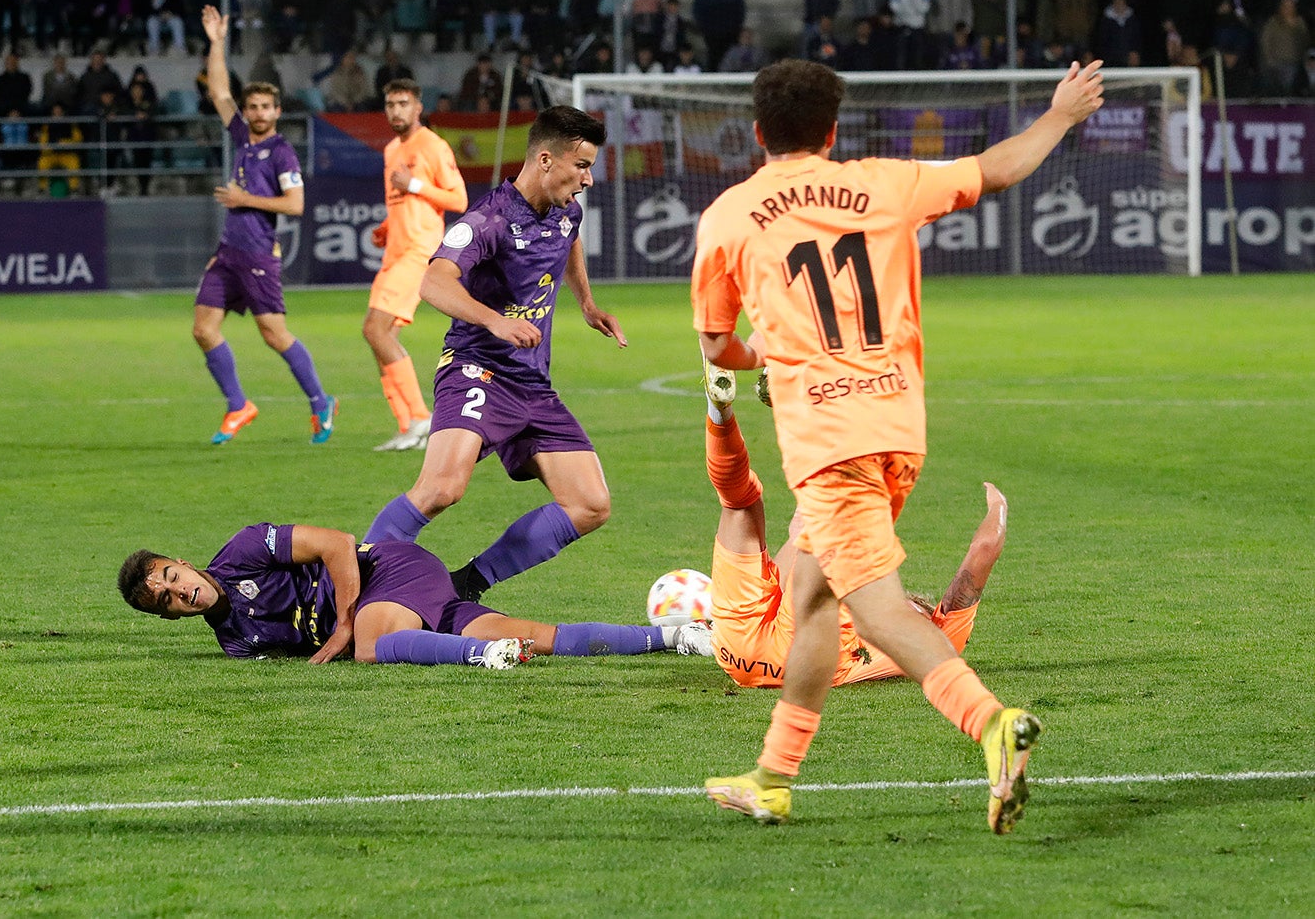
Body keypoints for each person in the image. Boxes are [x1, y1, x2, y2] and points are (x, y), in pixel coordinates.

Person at [691, 58, 1103, 833]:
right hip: (898, 426)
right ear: (833, 131)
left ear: (755, 133)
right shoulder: (887, 182)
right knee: (809, 591)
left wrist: (764, 357)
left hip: (829, 438)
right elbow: (996, 170)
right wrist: (1061, 115)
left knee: (875, 610)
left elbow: (718, 346)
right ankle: (774, 778)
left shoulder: (728, 216)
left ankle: (991, 724)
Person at [364, 106, 624, 607]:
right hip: (475, 368)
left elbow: (567, 243)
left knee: (591, 504)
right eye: (582, 166)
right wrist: (494, 320)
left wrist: (587, 303)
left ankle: (466, 585)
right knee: (442, 489)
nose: (589, 179)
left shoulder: (567, 209)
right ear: (545, 159)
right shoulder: (489, 219)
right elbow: (432, 281)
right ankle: (353, 581)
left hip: (532, 384)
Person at [698, 362, 999, 690]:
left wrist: (999, 509)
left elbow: (985, 549)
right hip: (738, 655)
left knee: (749, 504)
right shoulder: (929, 648)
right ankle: (741, 407)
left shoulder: (934, 640)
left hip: (792, 648)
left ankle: (730, 409)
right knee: (744, 506)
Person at [118, 524, 712, 664]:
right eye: (165, 600)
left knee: (372, 644)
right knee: (535, 636)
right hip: (406, 612)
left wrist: (347, 623)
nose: (180, 593)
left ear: (185, 564)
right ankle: (675, 636)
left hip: (389, 575)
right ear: (167, 616)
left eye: (173, 578)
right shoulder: (237, 645)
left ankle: (483, 659)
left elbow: (337, 543)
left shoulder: (245, 549)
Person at [193, 5, 336, 446]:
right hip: (228, 254)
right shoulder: (240, 137)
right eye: (251, 106)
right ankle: (239, 405)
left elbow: (295, 205)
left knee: (274, 335)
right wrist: (217, 42)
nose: (256, 112)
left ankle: (319, 401)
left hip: (257, 254)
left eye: (264, 107)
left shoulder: (281, 154)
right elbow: (219, 93)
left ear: (276, 111)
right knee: (203, 328)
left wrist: (243, 199)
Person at [366, 79, 468, 453]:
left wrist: (416, 185)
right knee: (378, 335)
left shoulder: (432, 146)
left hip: (418, 252)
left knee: (376, 331)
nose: (396, 111)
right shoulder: (392, 148)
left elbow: (458, 198)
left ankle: (420, 418)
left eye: (403, 103)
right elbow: (400, 204)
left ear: (417, 107)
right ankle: (408, 423)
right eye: (390, 104)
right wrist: (386, 227)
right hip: (395, 251)